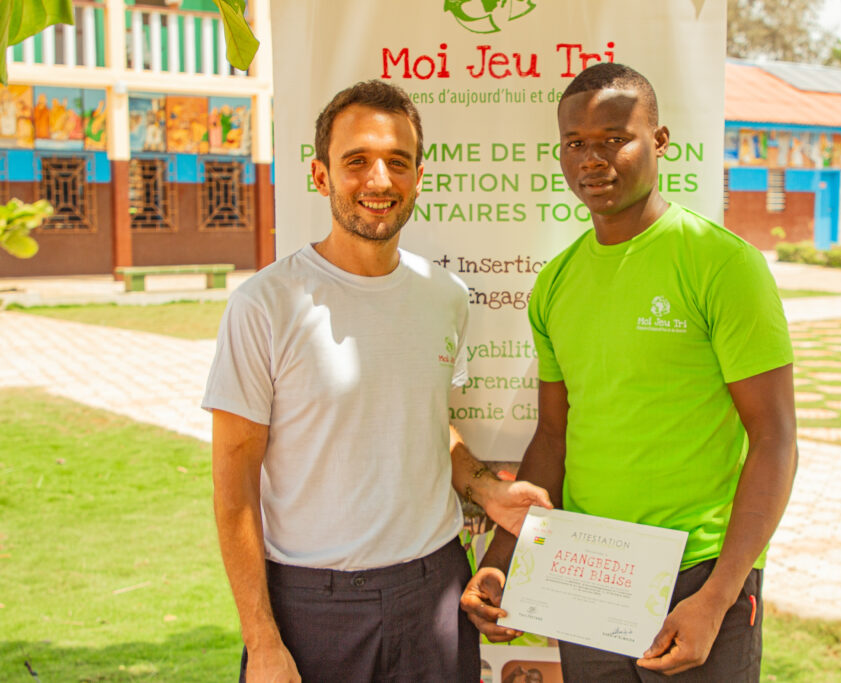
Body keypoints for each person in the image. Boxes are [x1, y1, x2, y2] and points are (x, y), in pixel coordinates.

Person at [203, 80, 551, 683]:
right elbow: (234, 491)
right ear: (319, 175)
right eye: (356, 161)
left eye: (397, 162)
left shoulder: (445, 296)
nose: (379, 180)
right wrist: (261, 639)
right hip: (312, 605)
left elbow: (423, 423)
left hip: (435, 592)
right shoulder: (265, 304)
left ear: (420, 176)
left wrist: (487, 489)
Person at [460, 63, 798, 681]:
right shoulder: (555, 283)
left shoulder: (722, 265)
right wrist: (502, 556)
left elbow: (775, 440)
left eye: (616, 138)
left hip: (697, 575)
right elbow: (555, 437)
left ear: (661, 141)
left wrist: (719, 596)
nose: (594, 159)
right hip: (583, 574)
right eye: (576, 144)